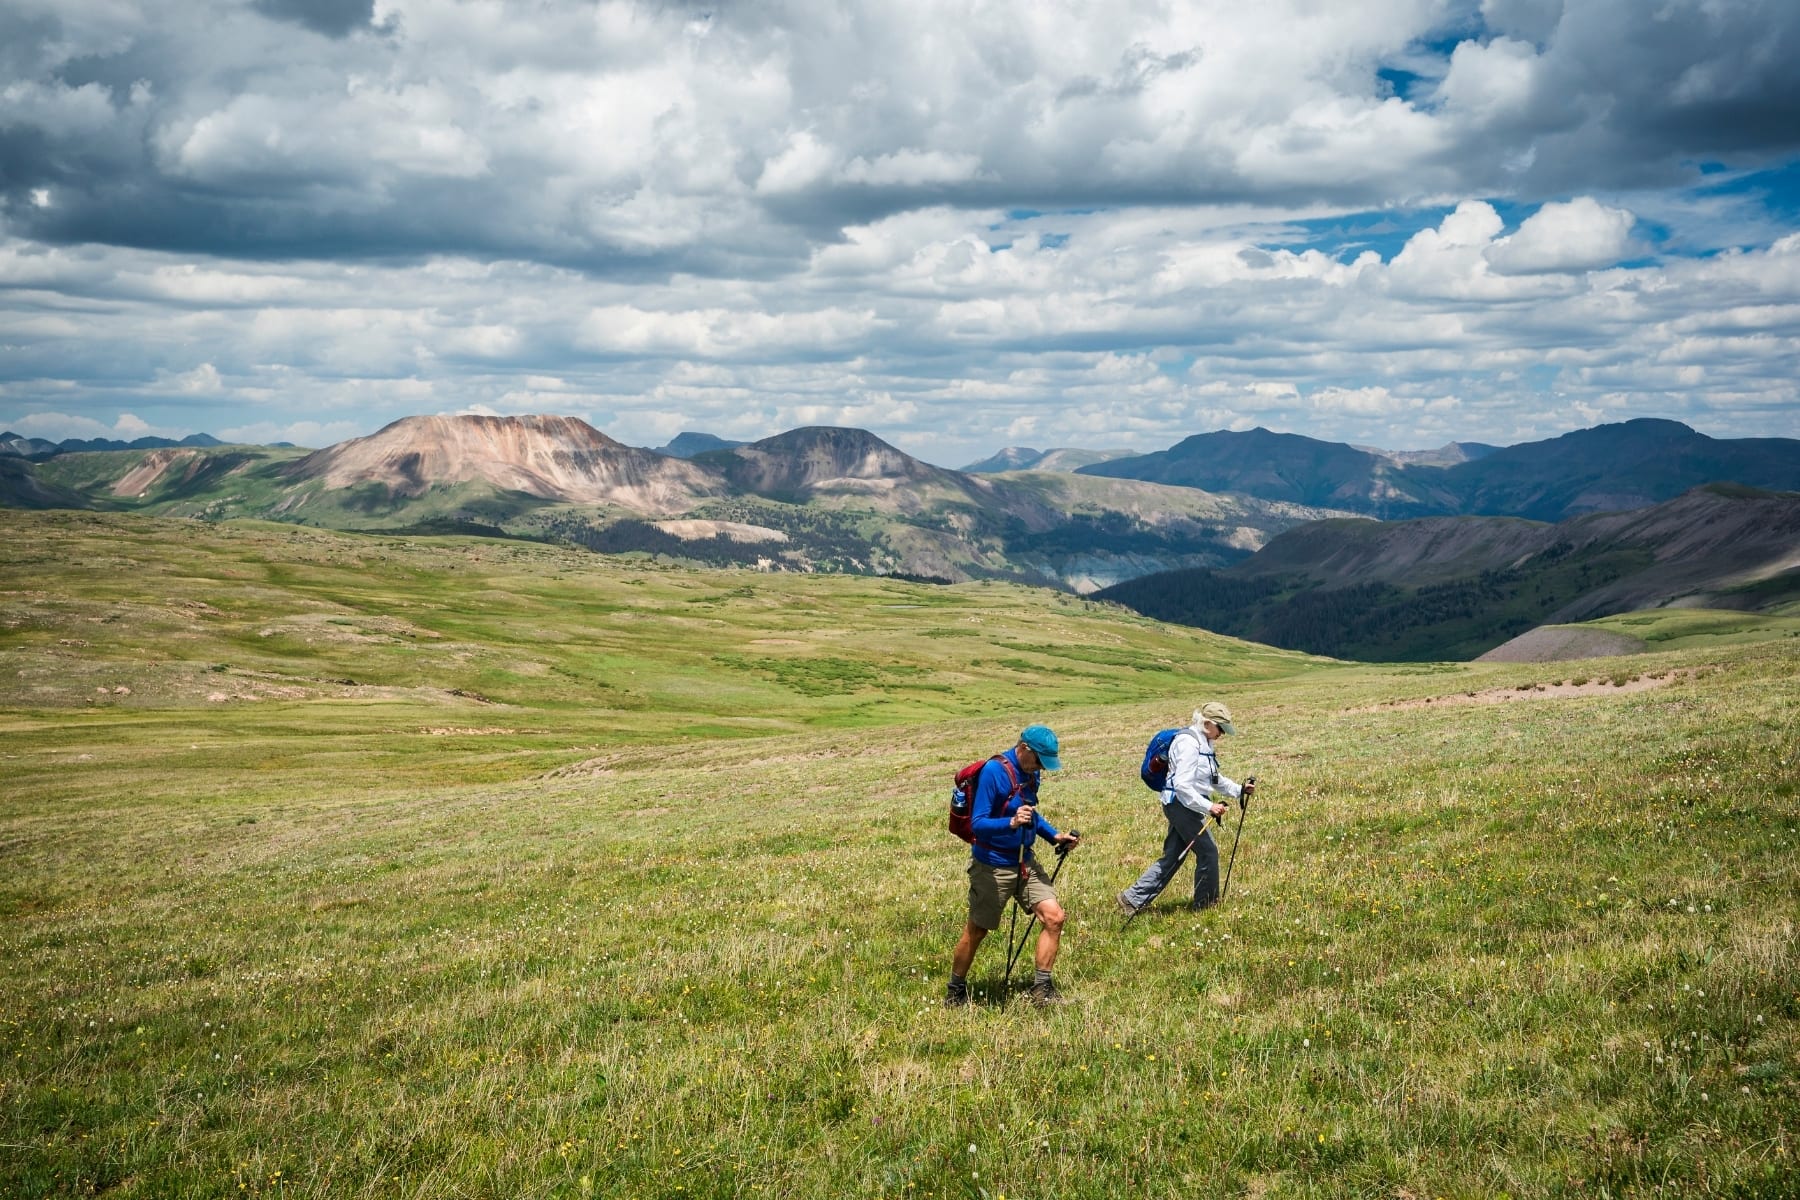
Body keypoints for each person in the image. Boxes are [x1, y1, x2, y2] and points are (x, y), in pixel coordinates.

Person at [946, 724, 1082, 1007]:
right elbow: (978, 824)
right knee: (978, 930)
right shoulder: (994, 772)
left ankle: (1041, 991)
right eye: (1040, 761)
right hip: (992, 865)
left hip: (1025, 861)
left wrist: (1054, 835)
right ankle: (955, 991)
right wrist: (1010, 822)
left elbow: (1030, 813)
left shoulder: (1031, 774)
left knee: (1054, 917)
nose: (1042, 769)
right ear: (1024, 750)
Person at [1118, 701, 1251, 915]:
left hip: (1185, 804)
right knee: (1208, 852)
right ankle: (1206, 906)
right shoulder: (1188, 743)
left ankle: (1132, 899)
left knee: (1172, 856)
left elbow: (1213, 778)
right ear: (1208, 723)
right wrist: (1209, 806)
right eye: (1221, 729)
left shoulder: (1205, 742)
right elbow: (1182, 786)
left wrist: (1239, 790)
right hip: (1181, 804)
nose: (1222, 734)